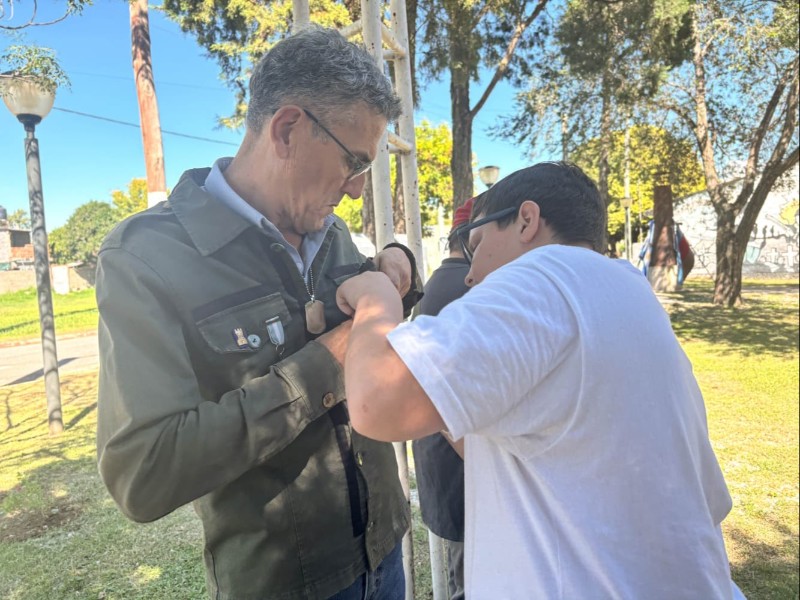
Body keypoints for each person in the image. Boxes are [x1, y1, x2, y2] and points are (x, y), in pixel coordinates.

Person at [95, 26, 423, 600]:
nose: (354, 190)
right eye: (353, 163)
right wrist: (330, 359)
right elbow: (144, 474)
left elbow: (366, 317)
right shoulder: (147, 257)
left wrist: (400, 269)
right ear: (288, 129)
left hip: (386, 550)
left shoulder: (332, 235)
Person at [335, 162, 745, 598]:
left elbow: (375, 402)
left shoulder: (544, 277)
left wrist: (376, 296)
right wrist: (443, 389)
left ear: (526, 220)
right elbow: (535, 447)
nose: (470, 276)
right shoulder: (626, 290)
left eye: (476, 246)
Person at [411, 197, 476, 600]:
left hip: (442, 461)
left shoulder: (440, 281)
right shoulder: (469, 287)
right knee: (470, 581)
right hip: (461, 469)